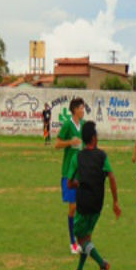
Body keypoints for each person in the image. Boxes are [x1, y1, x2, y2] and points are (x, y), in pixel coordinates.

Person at [66, 121, 121, 270]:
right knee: (87, 237)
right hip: (98, 205)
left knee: (81, 240)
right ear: (93, 138)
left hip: (83, 203)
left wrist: (77, 183)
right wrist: (115, 202)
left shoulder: (77, 157)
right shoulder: (102, 156)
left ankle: (103, 264)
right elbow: (111, 177)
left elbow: (69, 183)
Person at [54, 97, 85, 253]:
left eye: (84, 108)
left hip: (82, 173)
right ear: (74, 110)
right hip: (69, 172)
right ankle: (73, 242)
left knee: (81, 208)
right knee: (73, 207)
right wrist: (70, 142)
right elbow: (57, 144)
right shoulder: (67, 125)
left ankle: (81, 240)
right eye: (81, 108)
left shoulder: (84, 125)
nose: (83, 111)